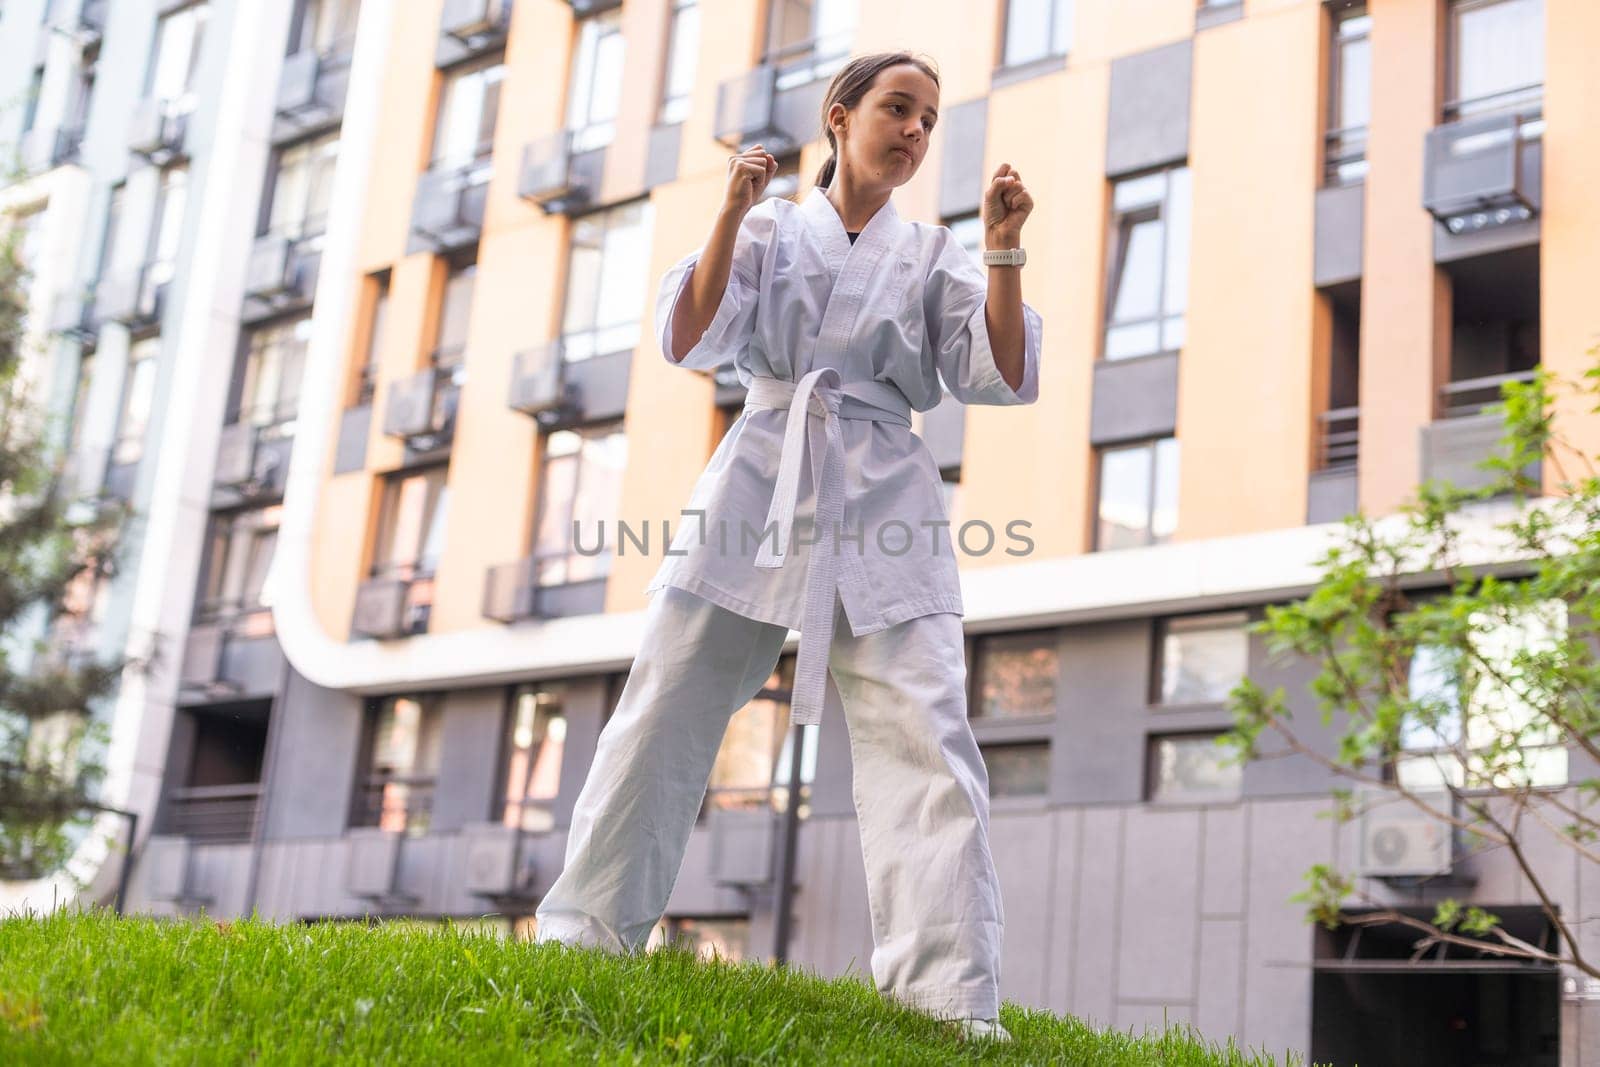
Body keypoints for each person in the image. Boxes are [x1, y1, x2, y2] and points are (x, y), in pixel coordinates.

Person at [533, 50, 1042, 1044]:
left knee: (928, 734)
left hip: (887, 487)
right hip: (760, 472)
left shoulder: (936, 252)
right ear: (840, 117)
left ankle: (947, 996)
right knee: (666, 703)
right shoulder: (768, 228)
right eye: (898, 108)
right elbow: (690, 335)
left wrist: (1004, 252)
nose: (914, 131)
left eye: (929, 119)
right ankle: (585, 932)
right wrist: (727, 210)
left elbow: (1001, 374)